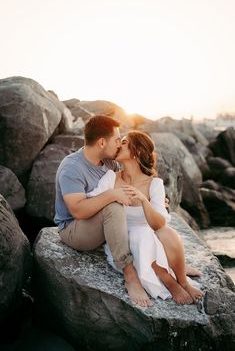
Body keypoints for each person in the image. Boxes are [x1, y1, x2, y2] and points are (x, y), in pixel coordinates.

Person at [87, 130, 204, 304]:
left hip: (149, 234)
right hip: (121, 240)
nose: (119, 144)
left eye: (124, 142)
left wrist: (143, 200)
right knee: (141, 236)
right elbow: (92, 199)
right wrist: (110, 195)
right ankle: (169, 281)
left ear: (138, 151)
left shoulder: (154, 184)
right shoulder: (111, 177)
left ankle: (183, 281)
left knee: (168, 233)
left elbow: (159, 223)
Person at [55, 115, 153, 307]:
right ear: (101, 142)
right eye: (117, 140)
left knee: (143, 215)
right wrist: (111, 195)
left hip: (100, 223)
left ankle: (167, 265)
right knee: (114, 205)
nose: (119, 144)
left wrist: (150, 198)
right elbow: (78, 211)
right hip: (74, 229)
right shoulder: (72, 168)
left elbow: (131, 182)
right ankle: (129, 274)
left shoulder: (109, 162)